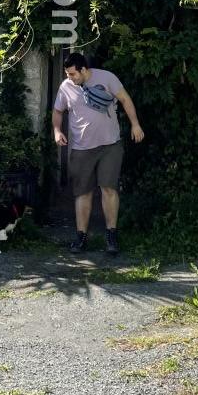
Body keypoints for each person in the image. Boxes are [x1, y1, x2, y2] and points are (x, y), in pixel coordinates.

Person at [52, 51, 144, 255]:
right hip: (81, 148)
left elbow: (126, 100)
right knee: (83, 193)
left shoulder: (107, 77)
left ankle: (111, 236)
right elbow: (58, 111)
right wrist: (57, 131)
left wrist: (135, 125)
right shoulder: (66, 87)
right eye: (67, 74)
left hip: (109, 145)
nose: (70, 78)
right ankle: (81, 238)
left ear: (84, 70)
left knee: (109, 189)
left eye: (73, 74)